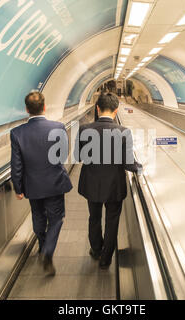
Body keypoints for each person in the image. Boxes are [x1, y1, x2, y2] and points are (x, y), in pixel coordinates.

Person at [75, 93, 142, 269]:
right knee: (112, 221)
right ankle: (106, 258)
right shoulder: (123, 132)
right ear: (116, 110)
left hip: (92, 183)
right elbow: (128, 163)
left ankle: (96, 250)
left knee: (94, 217)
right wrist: (140, 167)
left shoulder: (84, 129)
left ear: (97, 108)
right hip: (114, 185)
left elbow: (78, 156)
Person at [10, 92, 72, 276]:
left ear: (27, 109)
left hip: (33, 186)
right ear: (44, 107)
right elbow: (62, 156)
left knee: (38, 217)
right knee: (56, 219)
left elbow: (16, 164)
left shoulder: (17, 133)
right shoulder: (58, 127)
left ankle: (42, 245)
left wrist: (18, 188)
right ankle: (47, 251)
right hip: (54, 183)